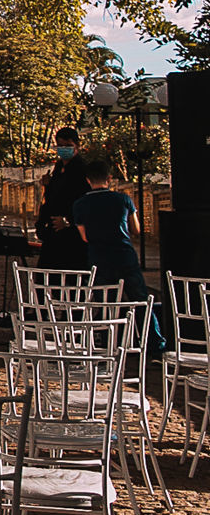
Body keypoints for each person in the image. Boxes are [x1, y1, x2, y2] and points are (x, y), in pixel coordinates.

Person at [72, 161, 167, 354]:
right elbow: (137, 229)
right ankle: (154, 342)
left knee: (106, 302)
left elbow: (85, 237)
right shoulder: (123, 199)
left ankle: (109, 342)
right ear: (109, 179)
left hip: (99, 258)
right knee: (140, 301)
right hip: (124, 255)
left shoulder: (80, 204)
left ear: (88, 180)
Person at [36, 126, 92, 269]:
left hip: (72, 235)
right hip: (53, 230)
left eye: (68, 146)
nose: (64, 149)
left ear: (77, 145)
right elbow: (52, 197)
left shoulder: (82, 169)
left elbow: (85, 201)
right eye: (61, 146)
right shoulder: (58, 167)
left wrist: (68, 221)